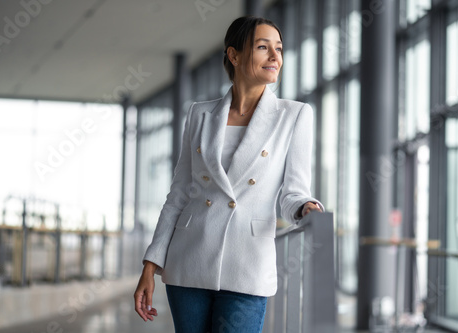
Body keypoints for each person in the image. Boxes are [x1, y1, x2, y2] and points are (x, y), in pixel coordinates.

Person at [134, 16, 324, 333]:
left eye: (279, 48)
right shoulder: (200, 114)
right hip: (188, 261)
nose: (275, 57)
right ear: (234, 55)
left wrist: (307, 208)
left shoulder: (294, 116)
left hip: (248, 264)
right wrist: (151, 265)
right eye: (263, 47)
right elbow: (179, 194)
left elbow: (293, 193)